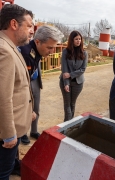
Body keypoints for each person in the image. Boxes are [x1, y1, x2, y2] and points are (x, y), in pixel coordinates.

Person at [0, 4, 34, 179]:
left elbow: (17, 89)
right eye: (28, 26)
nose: (31, 31)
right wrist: (8, 135)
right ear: (14, 24)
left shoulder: (10, 47)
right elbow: (3, 98)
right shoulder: (4, 50)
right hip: (7, 135)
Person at [20, 25, 63, 145]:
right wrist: (28, 109)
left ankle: (32, 131)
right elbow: (21, 88)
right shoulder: (27, 54)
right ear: (37, 41)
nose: (52, 51)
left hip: (32, 84)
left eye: (54, 47)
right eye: (50, 47)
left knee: (36, 108)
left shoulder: (36, 51)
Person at [59, 30, 88, 121]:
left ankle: (69, 125)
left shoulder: (84, 53)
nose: (78, 41)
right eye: (76, 39)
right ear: (72, 40)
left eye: (79, 39)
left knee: (72, 104)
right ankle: (66, 126)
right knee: (67, 104)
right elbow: (64, 68)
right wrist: (66, 83)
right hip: (65, 82)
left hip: (78, 83)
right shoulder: (65, 52)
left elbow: (83, 69)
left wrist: (71, 75)